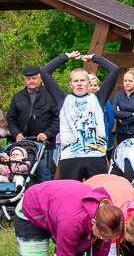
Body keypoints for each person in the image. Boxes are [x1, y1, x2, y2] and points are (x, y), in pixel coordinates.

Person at [43, 51, 121, 182]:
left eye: (82, 80)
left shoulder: (98, 98)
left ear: (89, 83)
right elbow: (44, 72)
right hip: (70, 157)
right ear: (70, 85)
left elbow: (114, 70)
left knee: (99, 192)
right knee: (70, 193)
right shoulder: (63, 99)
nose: (79, 84)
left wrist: (94, 58)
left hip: (96, 156)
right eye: (76, 81)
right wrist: (66, 57)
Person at [7, 65, 60, 182]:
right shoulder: (18, 97)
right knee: (25, 174)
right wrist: (16, 134)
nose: (31, 81)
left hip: (44, 143)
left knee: (43, 173)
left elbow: (58, 118)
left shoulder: (50, 95)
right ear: (24, 80)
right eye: (28, 79)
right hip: (25, 143)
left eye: (34, 78)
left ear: (39, 79)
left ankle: (45, 194)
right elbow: (11, 119)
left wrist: (47, 134)